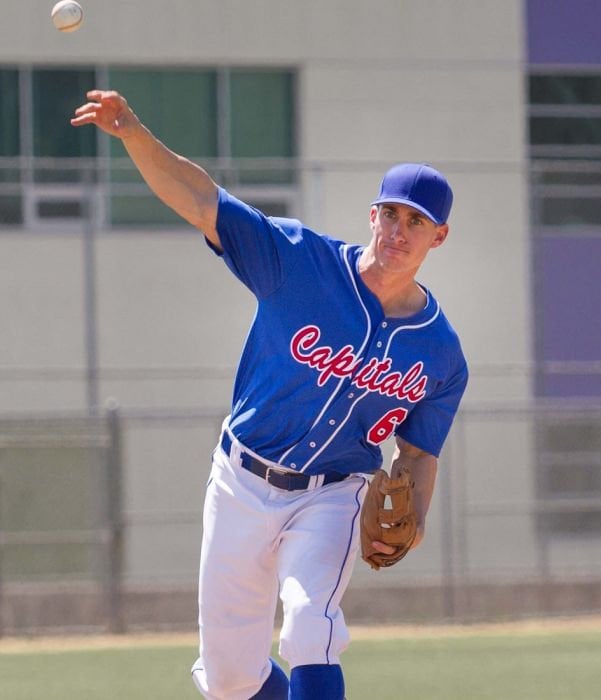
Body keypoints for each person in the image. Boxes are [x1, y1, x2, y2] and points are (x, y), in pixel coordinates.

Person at [72, 90, 468, 700]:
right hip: (240, 481)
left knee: (312, 629)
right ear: (372, 216)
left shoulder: (440, 353)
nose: (400, 229)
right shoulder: (298, 261)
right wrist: (134, 136)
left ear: (437, 238)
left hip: (333, 496)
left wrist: (408, 526)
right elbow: (205, 202)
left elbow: (416, 455)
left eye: (416, 221)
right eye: (392, 213)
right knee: (231, 678)